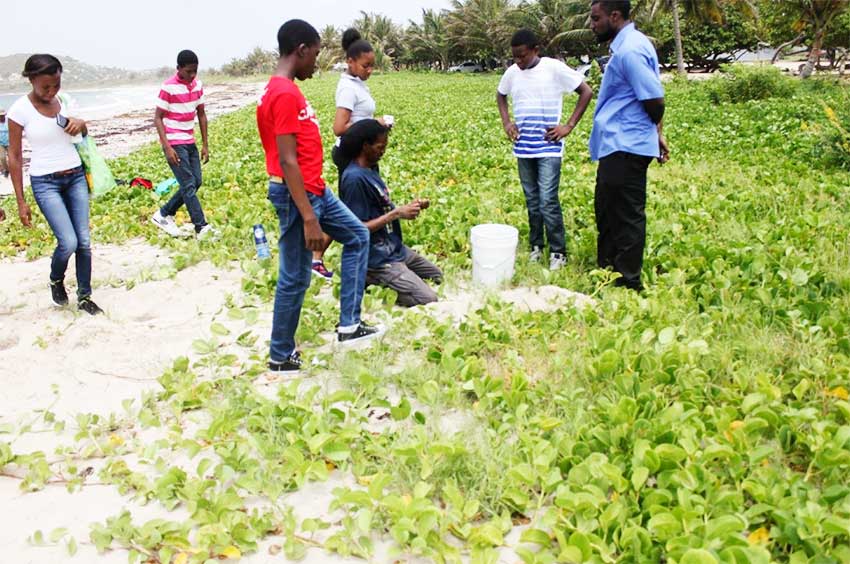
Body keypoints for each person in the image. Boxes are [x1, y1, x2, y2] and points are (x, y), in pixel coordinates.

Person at [257, 19, 380, 373]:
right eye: (315, 54)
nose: (317, 61)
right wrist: (309, 216)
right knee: (296, 276)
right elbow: (286, 159)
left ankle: (349, 326)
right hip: (300, 198)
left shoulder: (285, 89)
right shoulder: (282, 93)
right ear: (301, 50)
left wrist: (319, 194)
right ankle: (280, 356)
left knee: (357, 235)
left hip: (316, 189)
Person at [6, 54, 103, 314]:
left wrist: (83, 125)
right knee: (68, 242)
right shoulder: (18, 111)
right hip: (45, 183)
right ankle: (56, 279)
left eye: (56, 85)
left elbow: (81, 135)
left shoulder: (66, 101)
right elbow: (14, 157)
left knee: (83, 241)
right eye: (45, 87)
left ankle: (85, 297)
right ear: (32, 80)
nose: (52, 91)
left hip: (75, 176)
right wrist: (21, 201)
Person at [497, 29, 593, 271]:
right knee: (532, 200)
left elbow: (586, 91)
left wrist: (568, 126)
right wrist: (507, 122)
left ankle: (558, 252)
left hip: (549, 147)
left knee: (548, 200)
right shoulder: (512, 73)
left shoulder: (553, 68)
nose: (518, 62)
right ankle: (537, 247)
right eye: (514, 57)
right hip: (524, 148)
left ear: (535, 50)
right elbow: (500, 95)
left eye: (522, 56)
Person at [589, 0, 668, 291]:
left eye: (596, 18)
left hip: (627, 143)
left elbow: (654, 100)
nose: (592, 24)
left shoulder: (631, 49)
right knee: (608, 209)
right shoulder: (625, 45)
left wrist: (650, 132)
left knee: (626, 215)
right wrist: (655, 133)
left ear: (615, 16)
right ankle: (607, 270)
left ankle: (628, 281)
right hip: (618, 142)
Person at [311, 28, 389, 280]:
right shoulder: (347, 87)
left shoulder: (357, 83)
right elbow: (339, 127)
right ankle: (315, 258)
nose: (370, 70)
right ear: (351, 62)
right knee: (346, 209)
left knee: (352, 208)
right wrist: (373, 123)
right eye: (366, 66)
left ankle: (369, 252)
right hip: (350, 154)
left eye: (372, 66)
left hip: (362, 153)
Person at [338, 120, 442, 307]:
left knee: (437, 276)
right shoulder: (354, 180)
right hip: (376, 257)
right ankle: (371, 277)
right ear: (365, 146)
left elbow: (381, 205)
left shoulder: (370, 168)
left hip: (392, 247)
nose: (383, 150)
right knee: (427, 299)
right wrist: (396, 214)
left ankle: (397, 274)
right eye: (380, 146)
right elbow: (355, 229)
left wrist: (412, 206)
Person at [150, 50, 215, 239]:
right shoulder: (168, 88)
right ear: (178, 69)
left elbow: (201, 114)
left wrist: (205, 144)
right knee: (187, 184)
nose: (192, 75)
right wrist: (167, 147)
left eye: (195, 71)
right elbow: (158, 118)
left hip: (190, 140)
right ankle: (200, 227)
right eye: (188, 71)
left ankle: (163, 214)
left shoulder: (198, 86)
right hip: (174, 142)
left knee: (196, 182)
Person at [0, 106, 9, 177]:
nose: (2, 117)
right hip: (1, 144)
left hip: (10, 143)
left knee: (12, 158)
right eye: (0, 116)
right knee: (2, 158)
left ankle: (14, 169)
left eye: (3, 116)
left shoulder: (8, 122)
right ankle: (6, 170)